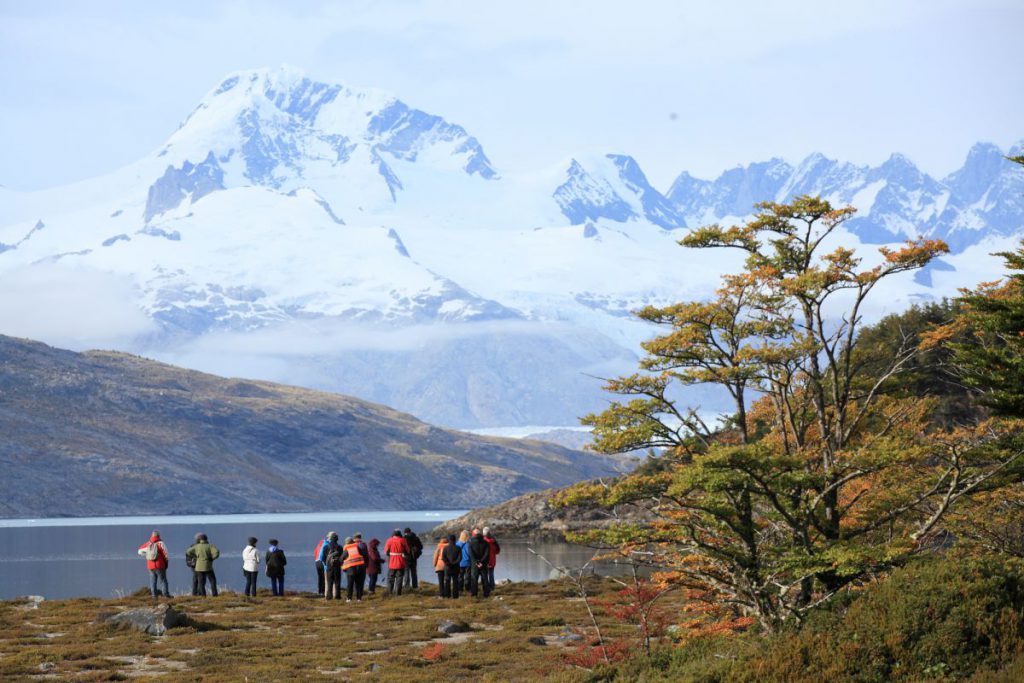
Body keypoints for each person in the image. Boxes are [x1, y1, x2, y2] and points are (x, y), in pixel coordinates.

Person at [137, 530, 170, 598]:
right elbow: (166, 554)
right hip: (160, 565)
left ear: (152, 535)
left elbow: (139, 551)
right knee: (163, 581)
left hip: (150, 566)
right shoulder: (161, 543)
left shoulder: (148, 543)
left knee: (153, 581)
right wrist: (166, 562)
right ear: (158, 535)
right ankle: (166, 595)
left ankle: (154, 596)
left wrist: (147, 554)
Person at [383, 529, 411, 595]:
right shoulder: (403, 540)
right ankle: (398, 593)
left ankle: (390, 592)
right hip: (400, 561)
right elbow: (408, 550)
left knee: (390, 577)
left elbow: (386, 551)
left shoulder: (389, 540)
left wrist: (390, 554)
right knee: (399, 577)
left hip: (392, 561)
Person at [342, 535, 368, 602]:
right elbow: (364, 556)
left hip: (351, 570)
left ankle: (349, 598)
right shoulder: (358, 548)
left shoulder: (347, 549)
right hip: (360, 569)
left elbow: (341, 559)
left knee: (350, 584)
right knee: (358, 584)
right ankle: (359, 599)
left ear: (346, 543)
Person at [467, 528, 490, 598]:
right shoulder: (486, 543)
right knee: (485, 579)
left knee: (474, 579)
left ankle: (474, 593)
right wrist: (481, 561)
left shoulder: (471, 543)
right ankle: (486, 593)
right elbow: (487, 554)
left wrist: (476, 561)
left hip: (474, 564)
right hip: (484, 563)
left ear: (474, 535)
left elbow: (471, 554)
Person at [322, 532, 343, 600]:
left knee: (329, 582)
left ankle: (329, 596)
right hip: (337, 567)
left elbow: (323, 558)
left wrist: (326, 564)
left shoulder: (326, 547)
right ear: (337, 539)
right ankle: (337, 596)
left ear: (330, 539)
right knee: (337, 582)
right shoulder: (340, 547)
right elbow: (342, 558)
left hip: (329, 567)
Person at [442, 533, 462, 599]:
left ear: (449, 540)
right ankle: (455, 596)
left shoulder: (445, 548)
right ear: (455, 540)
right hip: (456, 567)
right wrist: (454, 563)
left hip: (447, 568)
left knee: (447, 581)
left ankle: (447, 595)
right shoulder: (458, 548)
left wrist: (448, 563)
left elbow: (443, 558)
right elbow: (460, 558)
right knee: (455, 582)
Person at [483, 526, 501, 595]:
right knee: (491, 574)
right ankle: (492, 587)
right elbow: (498, 551)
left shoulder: (482, 541)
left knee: (485, 574)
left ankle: (487, 587)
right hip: (492, 560)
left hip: (484, 561)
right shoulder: (494, 541)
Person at [313, 533, 330, 597]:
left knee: (320, 577)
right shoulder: (325, 545)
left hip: (317, 562)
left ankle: (320, 591)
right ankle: (324, 591)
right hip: (322, 562)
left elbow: (315, 553)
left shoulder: (318, 546)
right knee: (324, 577)